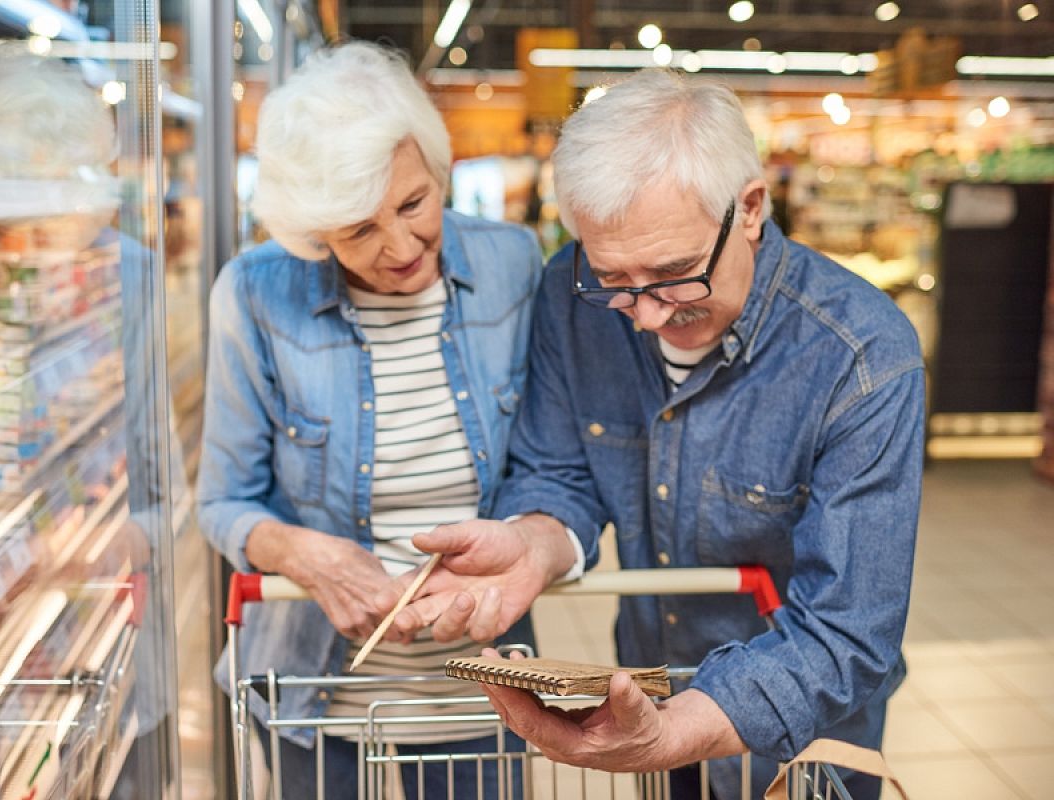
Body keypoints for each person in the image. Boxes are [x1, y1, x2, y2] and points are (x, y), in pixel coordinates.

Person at [376, 68, 925, 799]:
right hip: (648, 695)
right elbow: (559, 472)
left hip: (806, 747)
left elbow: (849, 635)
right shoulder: (570, 298)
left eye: (675, 276)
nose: (646, 317)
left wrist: (674, 732)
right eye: (613, 280)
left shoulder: (861, 356)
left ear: (752, 207)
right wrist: (534, 542)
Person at [196, 41, 546, 799]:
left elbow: (551, 467)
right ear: (315, 234)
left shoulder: (515, 266)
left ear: (437, 165)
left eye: (414, 204)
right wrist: (303, 554)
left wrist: (520, 545)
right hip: (311, 697)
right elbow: (223, 502)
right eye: (357, 232)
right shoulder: (254, 294)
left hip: (481, 689)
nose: (400, 248)